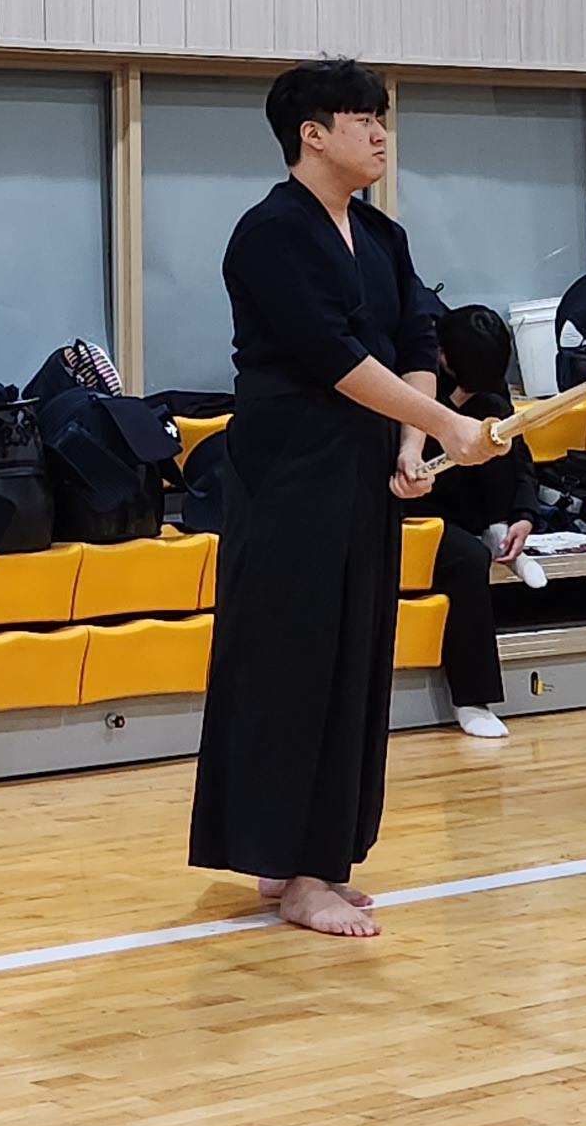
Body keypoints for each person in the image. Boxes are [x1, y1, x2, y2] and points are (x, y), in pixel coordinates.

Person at [189, 61, 496, 937]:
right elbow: (334, 357)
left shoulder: (383, 236)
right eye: (363, 118)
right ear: (312, 134)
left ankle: (313, 857)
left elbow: (415, 341)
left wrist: (411, 445)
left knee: (354, 663)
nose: (380, 134)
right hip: (289, 476)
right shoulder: (269, 234)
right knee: (289, 666)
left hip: (365, 475)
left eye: (381, 118)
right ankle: (295, 870)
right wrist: (445, 424)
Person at [423, 300, 537, 743]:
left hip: (473, 502)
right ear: (443, 356)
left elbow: (519, 454)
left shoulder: (486, 381)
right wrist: (449, 409)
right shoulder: (415, 367)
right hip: (415, 503)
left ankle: (499, 529)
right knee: (467, 558)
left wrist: (523, 515)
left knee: (494, 423)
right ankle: (473, 699)